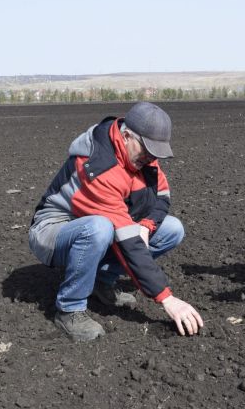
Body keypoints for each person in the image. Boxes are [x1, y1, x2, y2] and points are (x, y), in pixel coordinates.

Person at [29, 102, 203, 341]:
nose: (151, 158)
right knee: (98, 229)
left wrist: (146, 225)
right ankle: (69, 308)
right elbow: (127, 240)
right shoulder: (98, 166)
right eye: (147, 150)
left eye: (155, 152)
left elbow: (162, 196)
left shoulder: (143, 157)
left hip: (104, 222)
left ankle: (101, 282)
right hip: (54, 229)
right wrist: (166, 298)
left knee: (172, 229)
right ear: (127, 135)